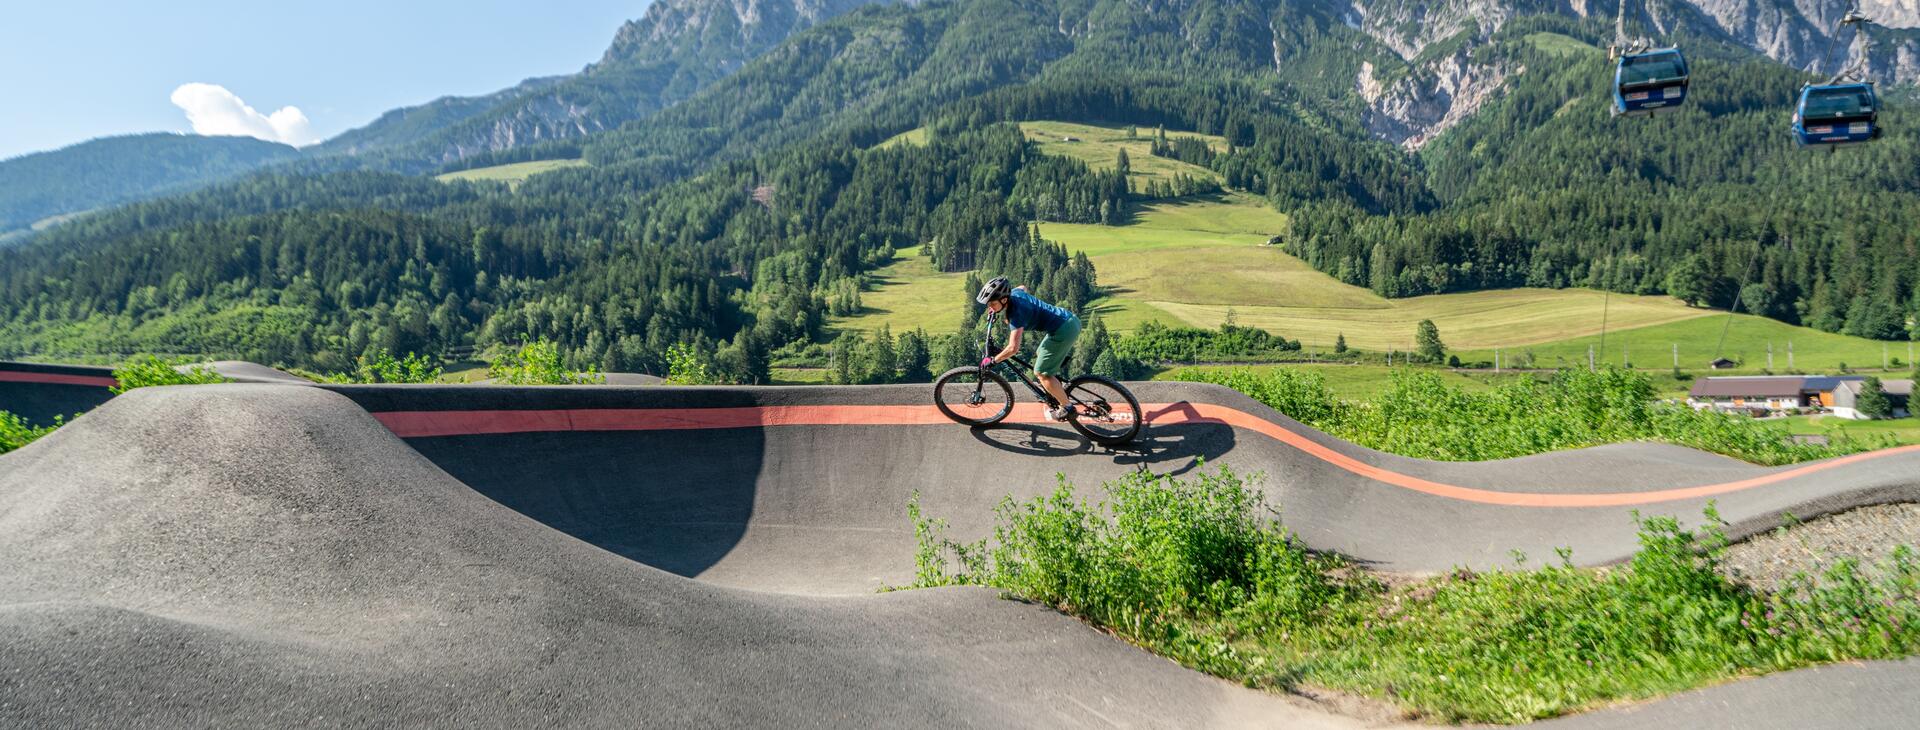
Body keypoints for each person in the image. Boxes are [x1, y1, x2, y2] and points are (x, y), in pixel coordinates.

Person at [976, 276, 1082, 421]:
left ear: (1004, 300)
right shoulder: (1014, 294)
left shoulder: (1016, 314)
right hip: (1068, 320)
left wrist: (994, 360)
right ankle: (1053, 386)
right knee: (1041, 354)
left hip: (1063, 329)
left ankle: (1067, 408)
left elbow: (1013, 348)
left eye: (992, 304)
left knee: (1041, 373)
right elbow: (1022, 287)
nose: (990, 308)